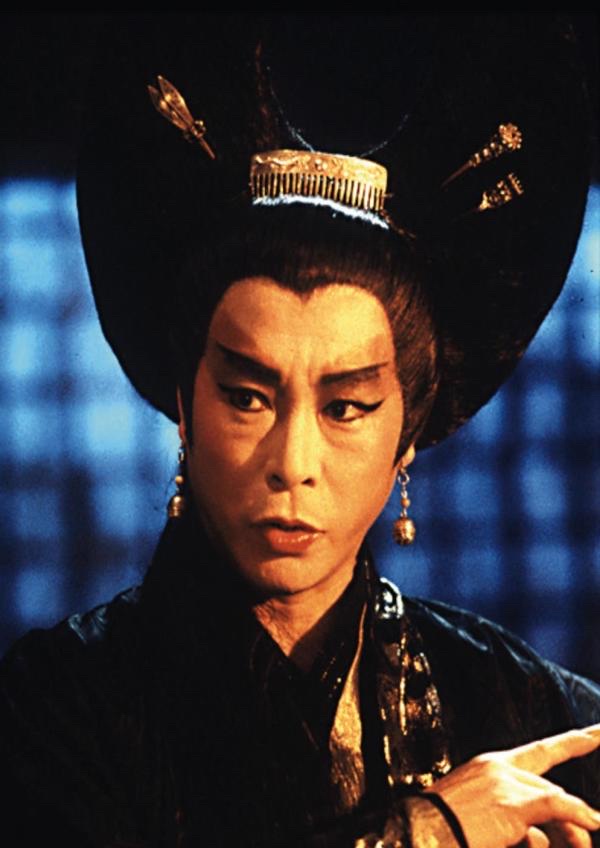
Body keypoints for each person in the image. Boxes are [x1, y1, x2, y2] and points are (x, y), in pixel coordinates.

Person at [1, 12, 599, 848]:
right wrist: (422, 832)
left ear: (409, 431)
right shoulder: (55, 705)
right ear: (186, 406)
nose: (292, 462)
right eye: (248, 397)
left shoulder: (525, 712)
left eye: (345, 407)